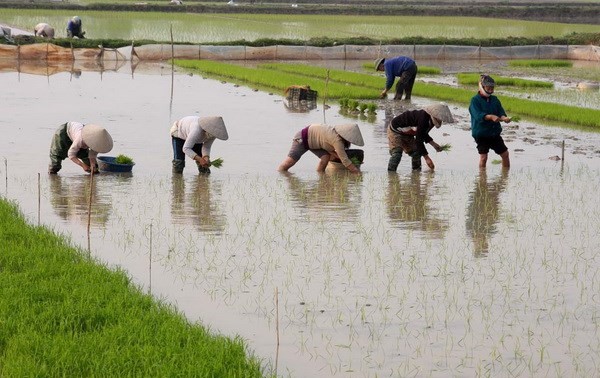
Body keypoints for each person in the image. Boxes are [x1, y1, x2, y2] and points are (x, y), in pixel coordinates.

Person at [387, 103, 454, 172]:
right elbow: (419, 140)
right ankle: (391, 175)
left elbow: (423, 134)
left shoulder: (431, 121)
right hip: (395, 130)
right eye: (440, 118)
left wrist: (434, 145)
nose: (441, 120)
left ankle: (416, 174)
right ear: (435, 115)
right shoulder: (423, 118)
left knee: (417, 153)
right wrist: (427, 158)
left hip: (407, 134)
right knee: (397, 154)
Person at [278, 123, 364, 174]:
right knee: (290, 162)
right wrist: (356, 171)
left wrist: (349, 160)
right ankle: (280, 174)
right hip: (303, 138)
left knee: (325, 158)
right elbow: (344, 159)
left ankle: (320, 176)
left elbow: (333, 152)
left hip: (315, 142)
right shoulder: (337, 140)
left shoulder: (335, 136)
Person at [469, 74, 512, 168]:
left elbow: (500, 112)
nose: (491, 90)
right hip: (481, 134)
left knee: (505, 155)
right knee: (483, 158)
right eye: (488, 88)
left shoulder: (495, 99)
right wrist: (490, 116)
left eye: (492, 88)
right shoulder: (475, 100)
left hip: (494, 133)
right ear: (482, 86)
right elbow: (477, 115)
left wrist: (504, 118)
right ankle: (482, 180)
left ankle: (505, 179)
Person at [48, 122, 113, 174]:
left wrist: (92, 165)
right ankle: (53, 178)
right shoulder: (80, 139)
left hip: (78, 139)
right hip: (64, 134)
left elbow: (92, 155)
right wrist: (82, 165)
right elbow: (71, 155)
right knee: (55, 162)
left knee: (93, 168)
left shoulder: (97, 142)